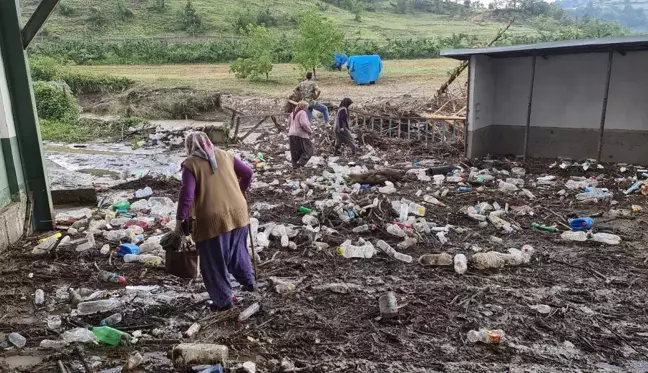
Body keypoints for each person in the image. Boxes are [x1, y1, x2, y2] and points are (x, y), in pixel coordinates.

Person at [175, 131, 255, 312]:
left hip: (212, 219)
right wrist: (239, 191)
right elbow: (248, 173)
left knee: (213, 261)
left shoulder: (191, 164)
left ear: (189, 147)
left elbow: (187, 194)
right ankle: (249, 282)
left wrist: (180, 219)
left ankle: (223, 300)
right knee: (238, 251)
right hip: (239, 212)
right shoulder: (226, 155)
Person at [288, 101, 315, 168]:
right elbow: (303, 124)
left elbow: (288, 123)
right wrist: (309, 131)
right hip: (300, 134)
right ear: (304, 107)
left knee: (295, 151)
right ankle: (300, 163)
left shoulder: (292, 113)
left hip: (291, 134)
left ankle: (295, 166)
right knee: (309, 149)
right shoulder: (302, 112)